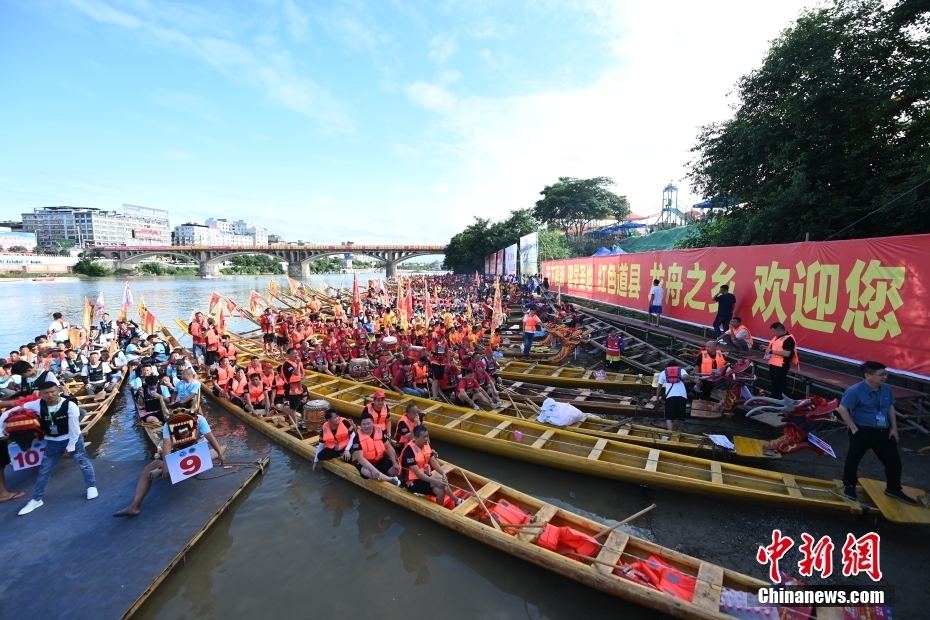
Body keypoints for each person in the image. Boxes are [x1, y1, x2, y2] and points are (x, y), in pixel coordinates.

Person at [113, 407, 225, 517]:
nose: (183, 431)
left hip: (196, 449)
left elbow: (210, 437)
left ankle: (180, 467)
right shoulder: (169, 424)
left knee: (182, 469)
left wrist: (219, 452)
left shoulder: (200, 420)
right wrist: (166, 466)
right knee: (147, 470)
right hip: (178, 450)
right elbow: (167, 444)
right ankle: (135, 507)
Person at [836, 361, 917, 505]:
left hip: (883, 432)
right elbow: (842, 409)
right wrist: (854, 429)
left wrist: (894, 428)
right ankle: (849, 486)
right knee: (853, 460)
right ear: (867, 375)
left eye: (886, 374)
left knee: (894, 462)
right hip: (863, 431)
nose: (884, 377)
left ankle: (893, 489)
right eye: (881, 375)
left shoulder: (886, 389)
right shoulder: (855, 391)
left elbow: (890, 407)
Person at [15, 382, 98, 515]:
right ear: (40, 394)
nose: (50, 395)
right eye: (46, 393)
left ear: (58, 390)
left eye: (53, 391)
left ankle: (91, 486)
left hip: (72, 440)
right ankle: (36, 499)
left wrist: (70, 446)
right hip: (52, 442)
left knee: (83, 464)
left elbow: (75, 430)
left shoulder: (70, 405)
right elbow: (14, 410)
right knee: (44, 471)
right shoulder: (38, 404)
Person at [398, 425, 460, 506]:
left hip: (425, 476)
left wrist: (443, 473)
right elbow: (418, 474)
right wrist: (436, 482)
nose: (426, 439)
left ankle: (441, 510)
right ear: (416, 438)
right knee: (440, 481)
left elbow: (433, 461)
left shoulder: (426, 444)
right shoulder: (409, 452)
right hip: (411, 482)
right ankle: (456, 500)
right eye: (424, 437)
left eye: (427, 436)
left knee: (439, 490)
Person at [351, 413, 401, 484]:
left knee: (396, 471)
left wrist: (394, 462)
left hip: (380, 460)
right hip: (367, 464)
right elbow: (360, 459)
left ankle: (393, 478)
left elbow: (389, 447)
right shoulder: (357, 438)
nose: (366, 426)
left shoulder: (379, 431)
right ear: (360, 425)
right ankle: (390, 479)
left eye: (368, 423)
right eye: (364, 424)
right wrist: (373, 470)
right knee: (366, 472)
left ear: (373, 422)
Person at [765, 322, 798, 400]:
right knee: (774, 384)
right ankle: (774, 400)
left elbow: (787, 353)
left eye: (774, 332)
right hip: (773, 363)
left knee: (781, 385)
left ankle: (786, 402)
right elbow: (777, 348)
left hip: (781, 365)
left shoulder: (789, 339)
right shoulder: (778, 337)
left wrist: (771, 351)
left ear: (780, 330)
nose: (773, 333)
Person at [655, 364, 691, 432]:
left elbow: (659, 387)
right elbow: (686, 376)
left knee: (668, 417)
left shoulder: (663, 372)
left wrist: (657, 399)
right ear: (677, 366)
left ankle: (670, 433)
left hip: (670, 396)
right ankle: (674, 432)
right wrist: (693, 380)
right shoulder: (681, 370)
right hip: (683, 396)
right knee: (678, 416)